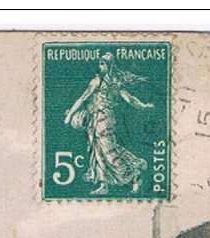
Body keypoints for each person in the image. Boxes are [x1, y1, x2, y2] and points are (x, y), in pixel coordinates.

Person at [64, 52, 153, 196]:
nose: (100, 66)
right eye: (100, 63)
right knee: (99, 150)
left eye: (103, 63)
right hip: (97, 118)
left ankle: (133, 174)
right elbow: (129, 99)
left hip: (104, 120)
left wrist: (69, 116)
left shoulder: (105, 82)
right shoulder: (109, 81)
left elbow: (83, 98)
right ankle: (104, 184)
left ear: (109, 66)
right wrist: (143, 105)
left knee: (108, 151)